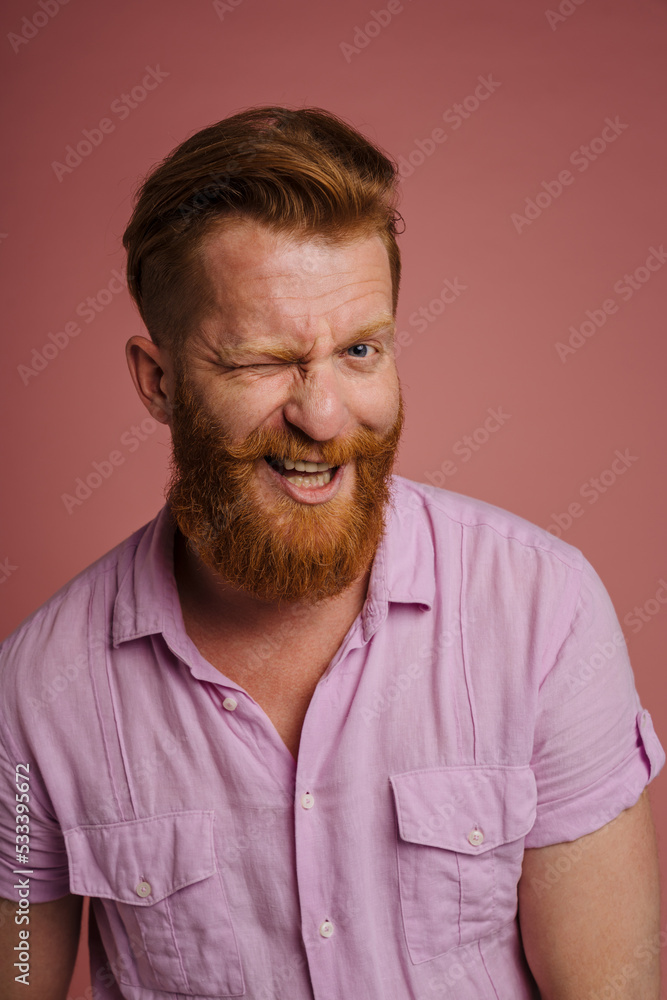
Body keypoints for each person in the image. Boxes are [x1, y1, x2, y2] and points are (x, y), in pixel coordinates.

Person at [0, 106, 663, 1000]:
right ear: (158, 383)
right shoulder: (36, 692)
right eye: (261, 361)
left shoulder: (542, 610)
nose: (321, 417)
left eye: (360, 350)